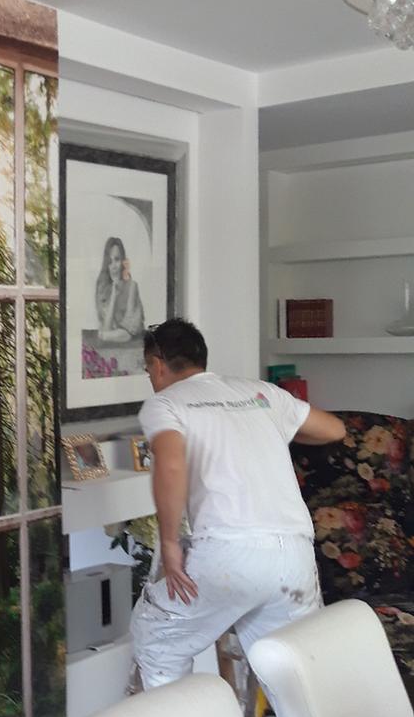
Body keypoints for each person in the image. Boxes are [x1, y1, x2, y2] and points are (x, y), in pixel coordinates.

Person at [130, 317, 346, 690]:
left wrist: (169, 542)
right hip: (294, 557)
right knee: (295, 681)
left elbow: (170, 463)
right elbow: (334, 429)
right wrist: (277, 433)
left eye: (148, 369)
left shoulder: (165, 403)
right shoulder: (260, 393)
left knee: (156, 639)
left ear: (158, 364)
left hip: (230, 553)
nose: (151, 377)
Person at [95, 236, 144, 343]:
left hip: (129, 336)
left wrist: (105, 335)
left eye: (117, 259)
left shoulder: (132, 286)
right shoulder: (102, 287)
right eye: (109, 262)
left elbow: (129, 331)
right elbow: (106, 328)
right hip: (114, 336)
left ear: (123, 261)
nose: (114, 266)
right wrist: (114, 294)